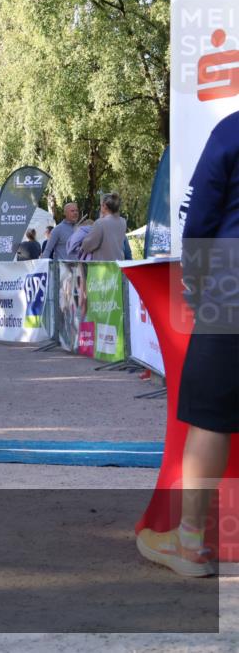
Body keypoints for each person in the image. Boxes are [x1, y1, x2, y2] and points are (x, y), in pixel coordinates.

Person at [136, 110, 238, 578]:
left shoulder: (232, 130)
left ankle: (191, 544)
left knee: (210, 419)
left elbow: (198, 220)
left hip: (232, 288)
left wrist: (197, 287)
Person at [80, 192, 128, 261]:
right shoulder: (123, 222)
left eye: (101, 205)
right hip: (118, 265)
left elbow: (87, 246)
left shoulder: (100, 223)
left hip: (103, 266)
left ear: (104, 206)